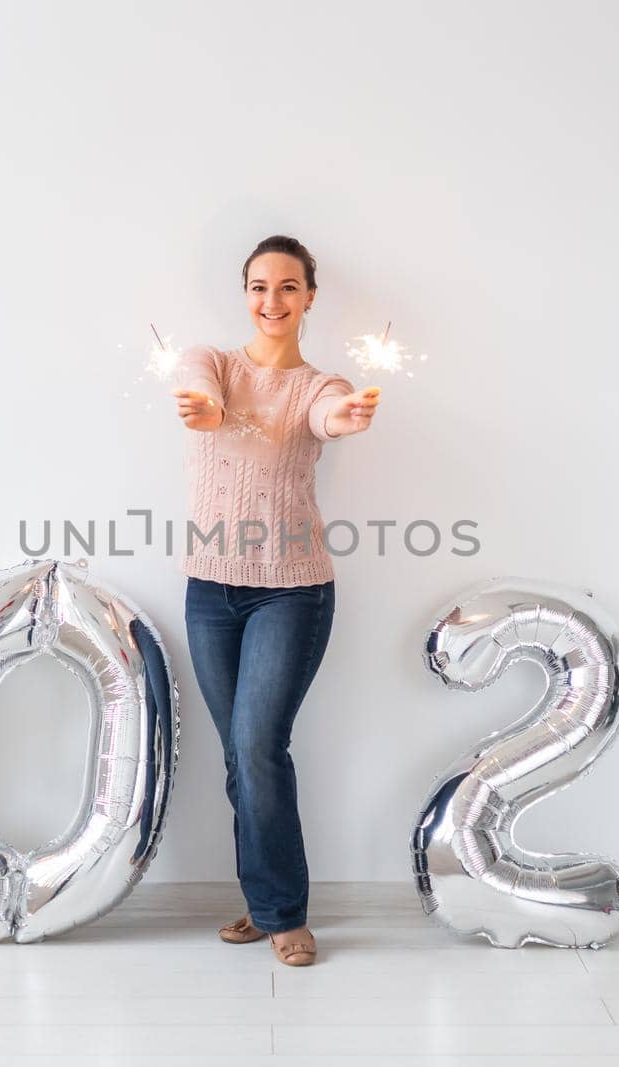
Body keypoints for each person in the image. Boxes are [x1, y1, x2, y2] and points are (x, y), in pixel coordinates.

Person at [170, 234, 381, 966]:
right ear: (245, 293)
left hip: (291, 592)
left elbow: (329, 415)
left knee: (259, 745)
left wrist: (345, 419)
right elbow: (200, 388)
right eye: (260, 287)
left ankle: (284, 913)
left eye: (288, 287)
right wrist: (200, 406)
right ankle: (264, 904)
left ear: (310, 297)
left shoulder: (320, 386)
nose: (272, 301)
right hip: (209, 588)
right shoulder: (215, 365)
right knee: (239, 755)